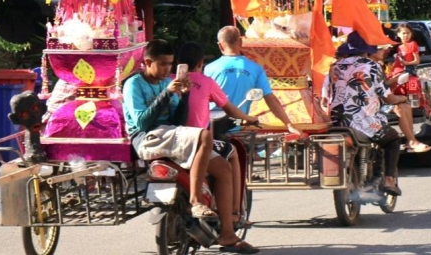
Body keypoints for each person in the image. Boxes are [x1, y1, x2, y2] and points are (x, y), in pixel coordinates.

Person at [123, 39, 257, 254]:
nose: (167, 69)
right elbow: (142, 123)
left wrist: (184, 96)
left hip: (170, 134)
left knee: (223, 168)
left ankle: (227, 234)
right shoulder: (134, 84)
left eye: (170, 64)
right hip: (148, 137)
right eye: (163, 64)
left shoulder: (165, 81)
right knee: (204, 136)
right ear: (148, 62)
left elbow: (178, 120)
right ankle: (196, 200)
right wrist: (167, 93)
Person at [176, 41, 260, 229]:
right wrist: (250, 118)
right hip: (195, 140)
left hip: (172, 139)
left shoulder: (170, 81)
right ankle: (234, 214)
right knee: (231, 153)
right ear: (200, 63)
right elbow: (230, 109)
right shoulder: (206, 82)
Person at [328, 31, 404, 196]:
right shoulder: (372, 66)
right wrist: (400, 98)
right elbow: (387, 97)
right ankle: (389, 180)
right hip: (363, 121)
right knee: (393, 139)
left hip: (336, 119)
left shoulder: (335, 66)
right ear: (368, 49)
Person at [204, 26, 303, 137]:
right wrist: (289, 124)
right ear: (241, 42)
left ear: (220, 45)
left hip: (210, 127)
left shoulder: (209, 69)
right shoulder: (256, 69)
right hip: (236, 126)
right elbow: (270, 98)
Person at [370, 47, 431, 153]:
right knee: (399, 108)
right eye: (380, 49)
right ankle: (412, 141)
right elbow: (382, 89)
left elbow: (383, 85)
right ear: (372, 52)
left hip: (381, 100)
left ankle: (410, 141)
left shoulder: (377, 65)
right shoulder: (372, 67)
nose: (384, 51)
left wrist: (395, 80)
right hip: (374, 103)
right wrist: (397, 92)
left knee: (406, 105)